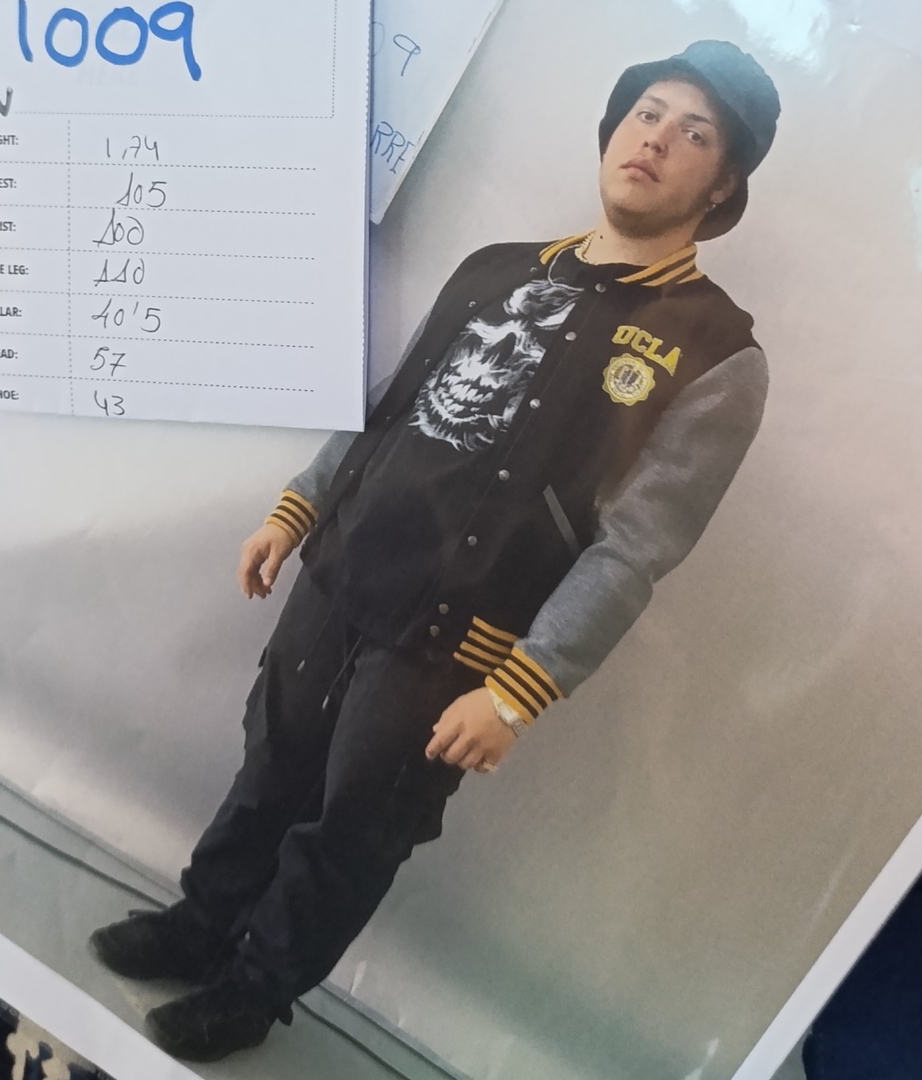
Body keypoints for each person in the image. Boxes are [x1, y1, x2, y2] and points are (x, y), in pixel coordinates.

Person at [90, 39, 781, 1062]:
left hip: (463, 638)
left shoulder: (719, 354)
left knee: (355, 826)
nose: (656, 140)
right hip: (342, 573)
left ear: (722, 182)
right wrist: (297, 509)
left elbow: (635, 549)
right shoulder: (495, 269)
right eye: (646, 114)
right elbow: (389, 408)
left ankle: (253, 991)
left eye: (695, 133)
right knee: (271, 762)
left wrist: (522, 689)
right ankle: (200, 924)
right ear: (613, 129)